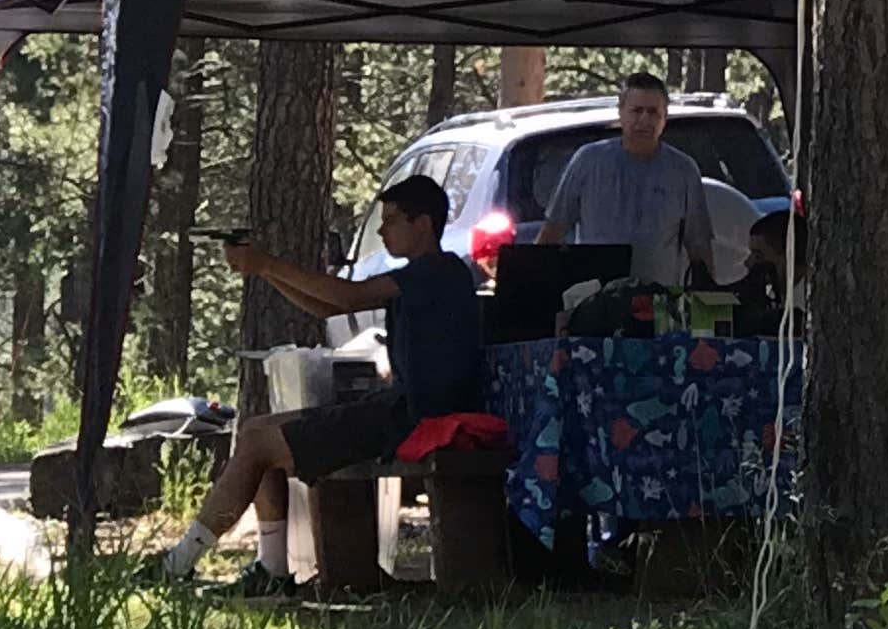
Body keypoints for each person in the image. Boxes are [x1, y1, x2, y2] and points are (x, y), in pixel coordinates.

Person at [163, 174, 484, 591]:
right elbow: (325, 309)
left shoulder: (437, 271)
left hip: (412, 416)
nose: (383, 231)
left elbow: (349, 297)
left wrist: (267, 264)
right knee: (255, 430)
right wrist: (262, 271)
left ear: (423, 224)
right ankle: (272, 569)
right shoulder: (427, 274)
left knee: (259, 443)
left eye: (392, 220)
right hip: (399, 409)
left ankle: (177, 565)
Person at [532, 70, 712, 287]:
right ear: (621, 113)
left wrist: (707, 301)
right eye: (636, 111)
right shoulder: (588, 161)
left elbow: (699, 246)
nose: (644, 119)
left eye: (653, 112)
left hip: (658, 302)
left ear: (665, 117)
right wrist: (534, 285)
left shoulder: (683, 170)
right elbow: (553, 231)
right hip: (595, 301)